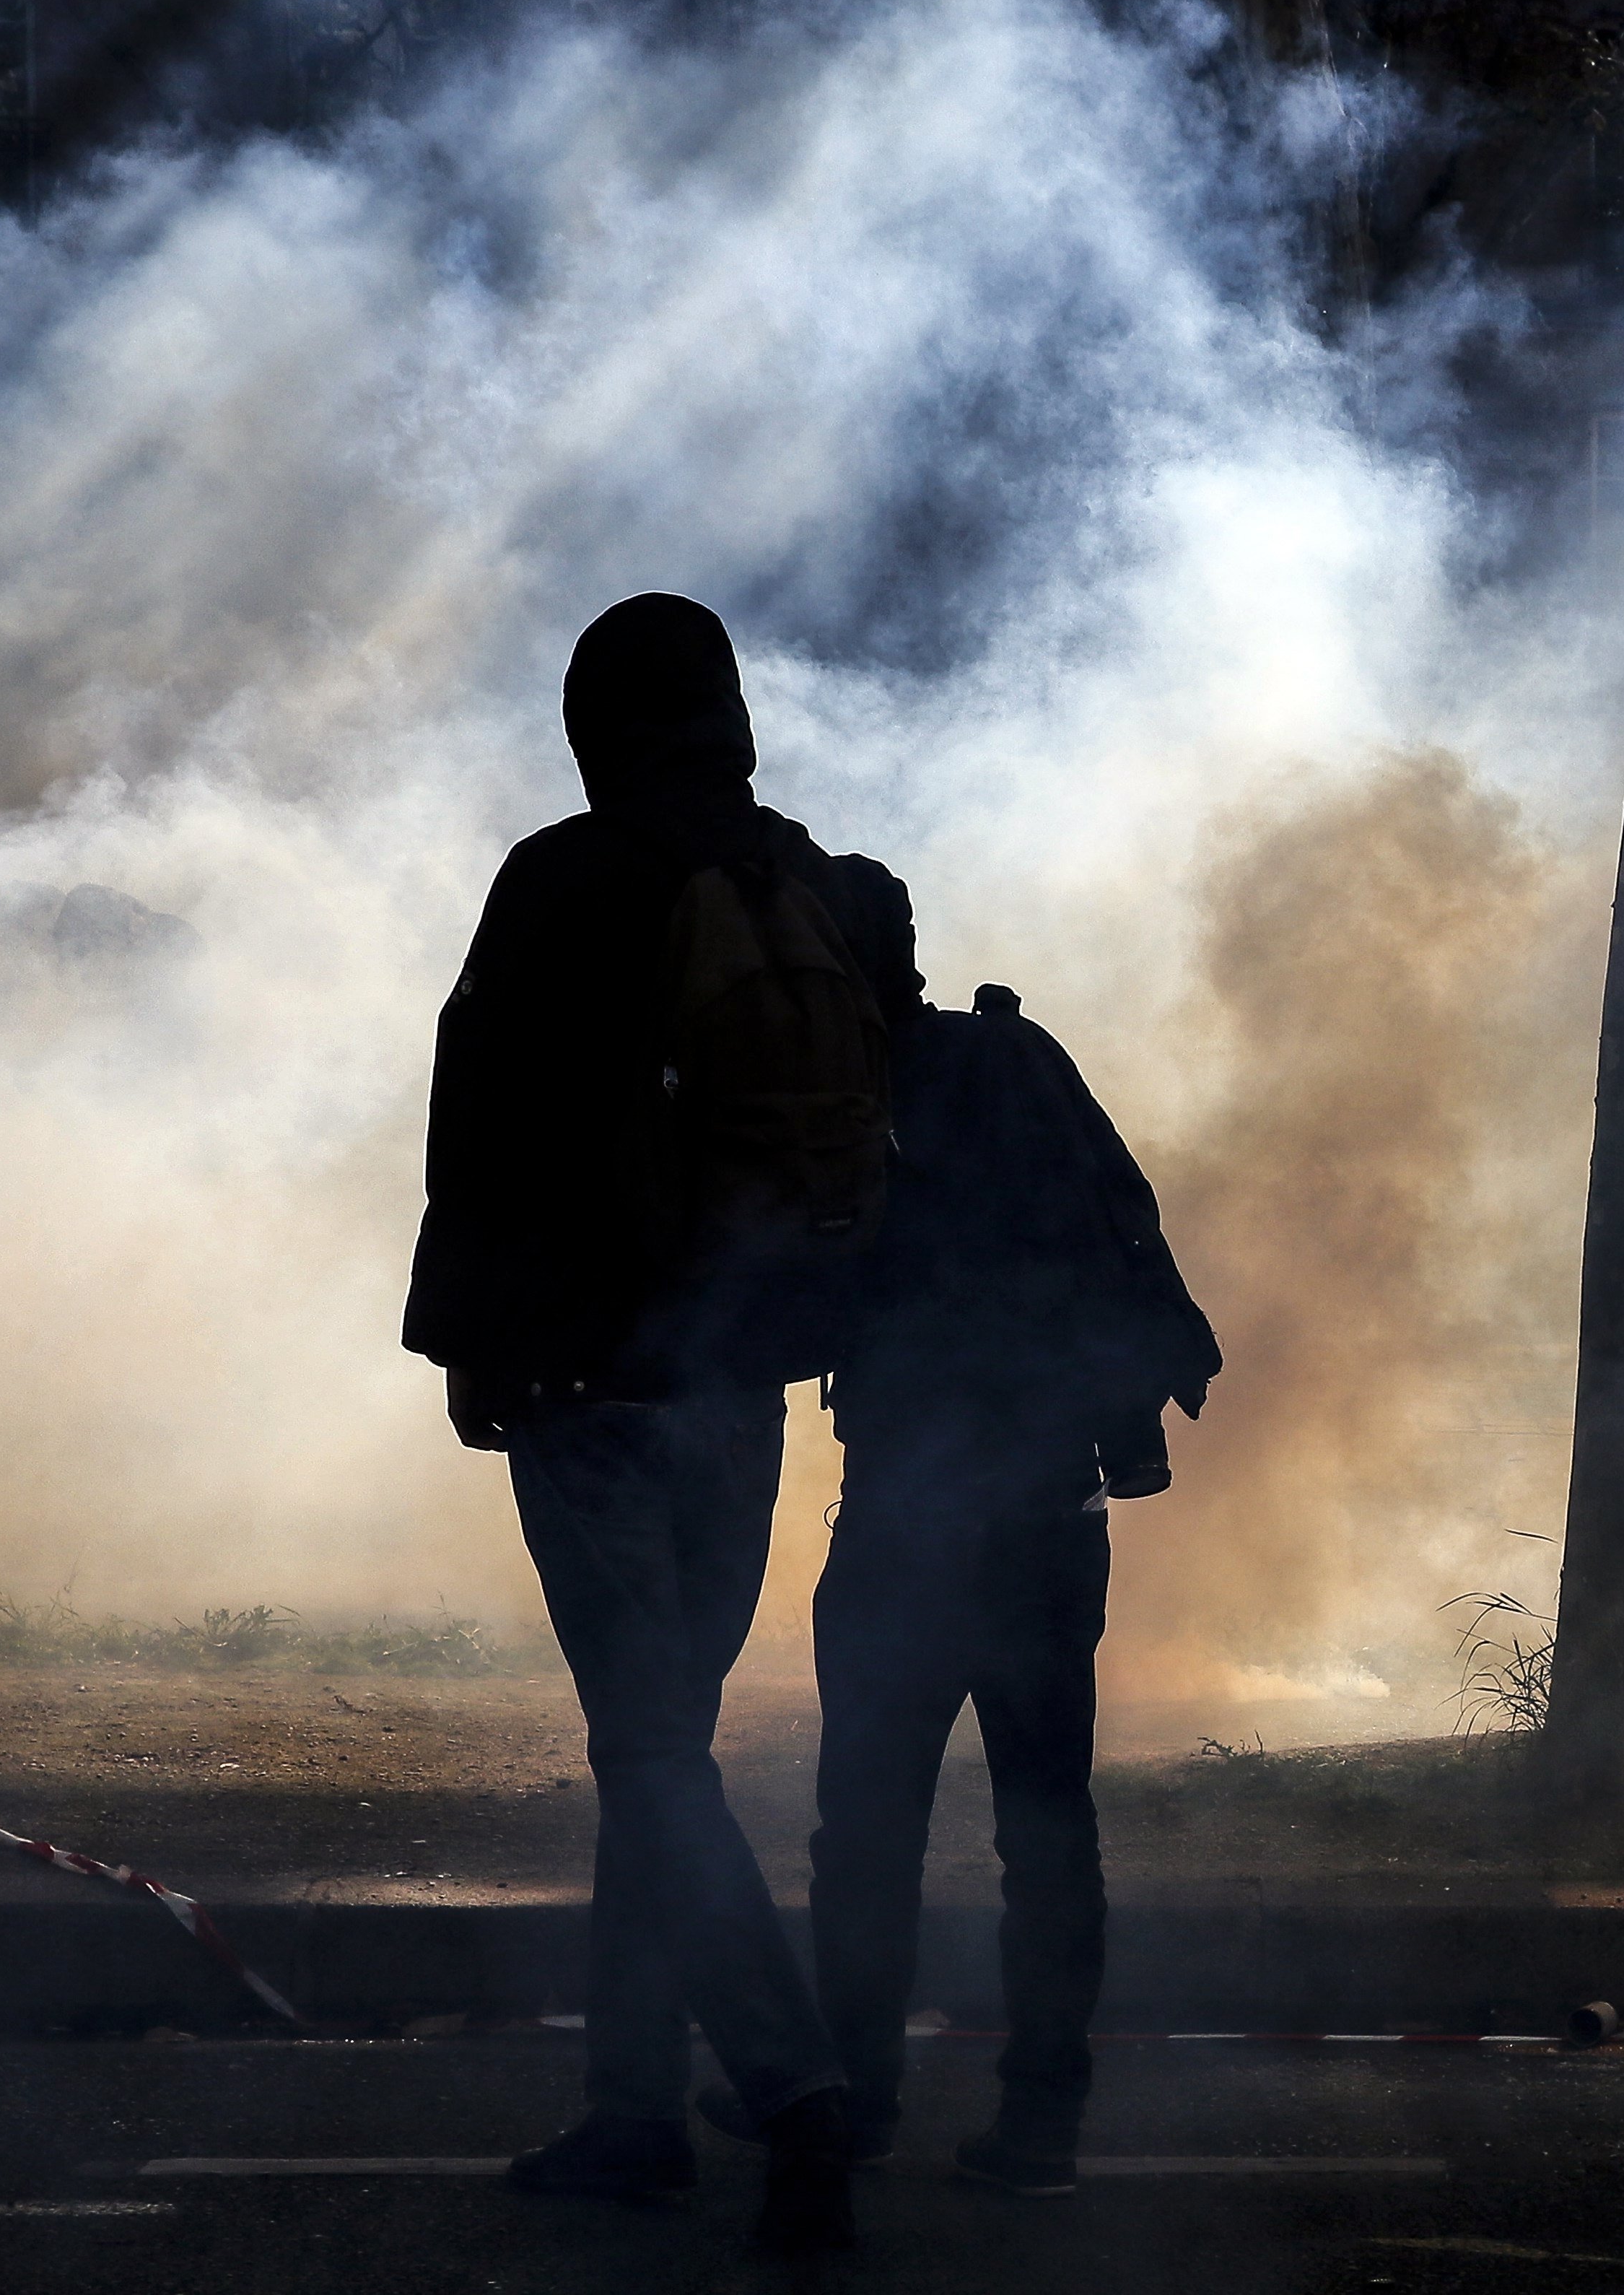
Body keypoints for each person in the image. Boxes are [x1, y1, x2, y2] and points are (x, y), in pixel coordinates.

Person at [404, 593, 900, 2253]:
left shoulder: (565, 880)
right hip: (741, 1382)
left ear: (593, 721)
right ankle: (631, 2111)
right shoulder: (808, 878)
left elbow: (474, 1120)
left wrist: (469, 1342)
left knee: (646, 1747)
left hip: (591, 1384)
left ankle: (789, 2086)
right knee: (661, 1747)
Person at [805, 894, 1221, 2198]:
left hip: (908, 1526)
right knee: (1046, 1829)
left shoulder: (846, 1105)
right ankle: (1042, 2119)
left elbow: (786, 1286)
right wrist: (1126, 1417)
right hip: (1046, 1516)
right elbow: (1121, 1224)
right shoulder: (1013, 1062)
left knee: (868, 1830)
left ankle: (856, 2101)